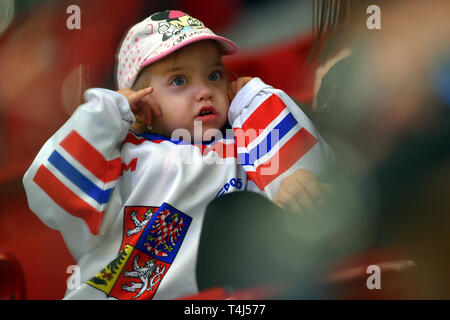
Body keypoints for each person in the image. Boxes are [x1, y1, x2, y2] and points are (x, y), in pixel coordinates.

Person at [22, 10, 334, 300]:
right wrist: (111, 111)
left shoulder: (244, 147)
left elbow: (307, 190)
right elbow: (50, 191)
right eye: (179, 80)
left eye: (214, 75)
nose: (204, 90)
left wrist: (253, 98)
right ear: (140, 103)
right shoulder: (120, 156)